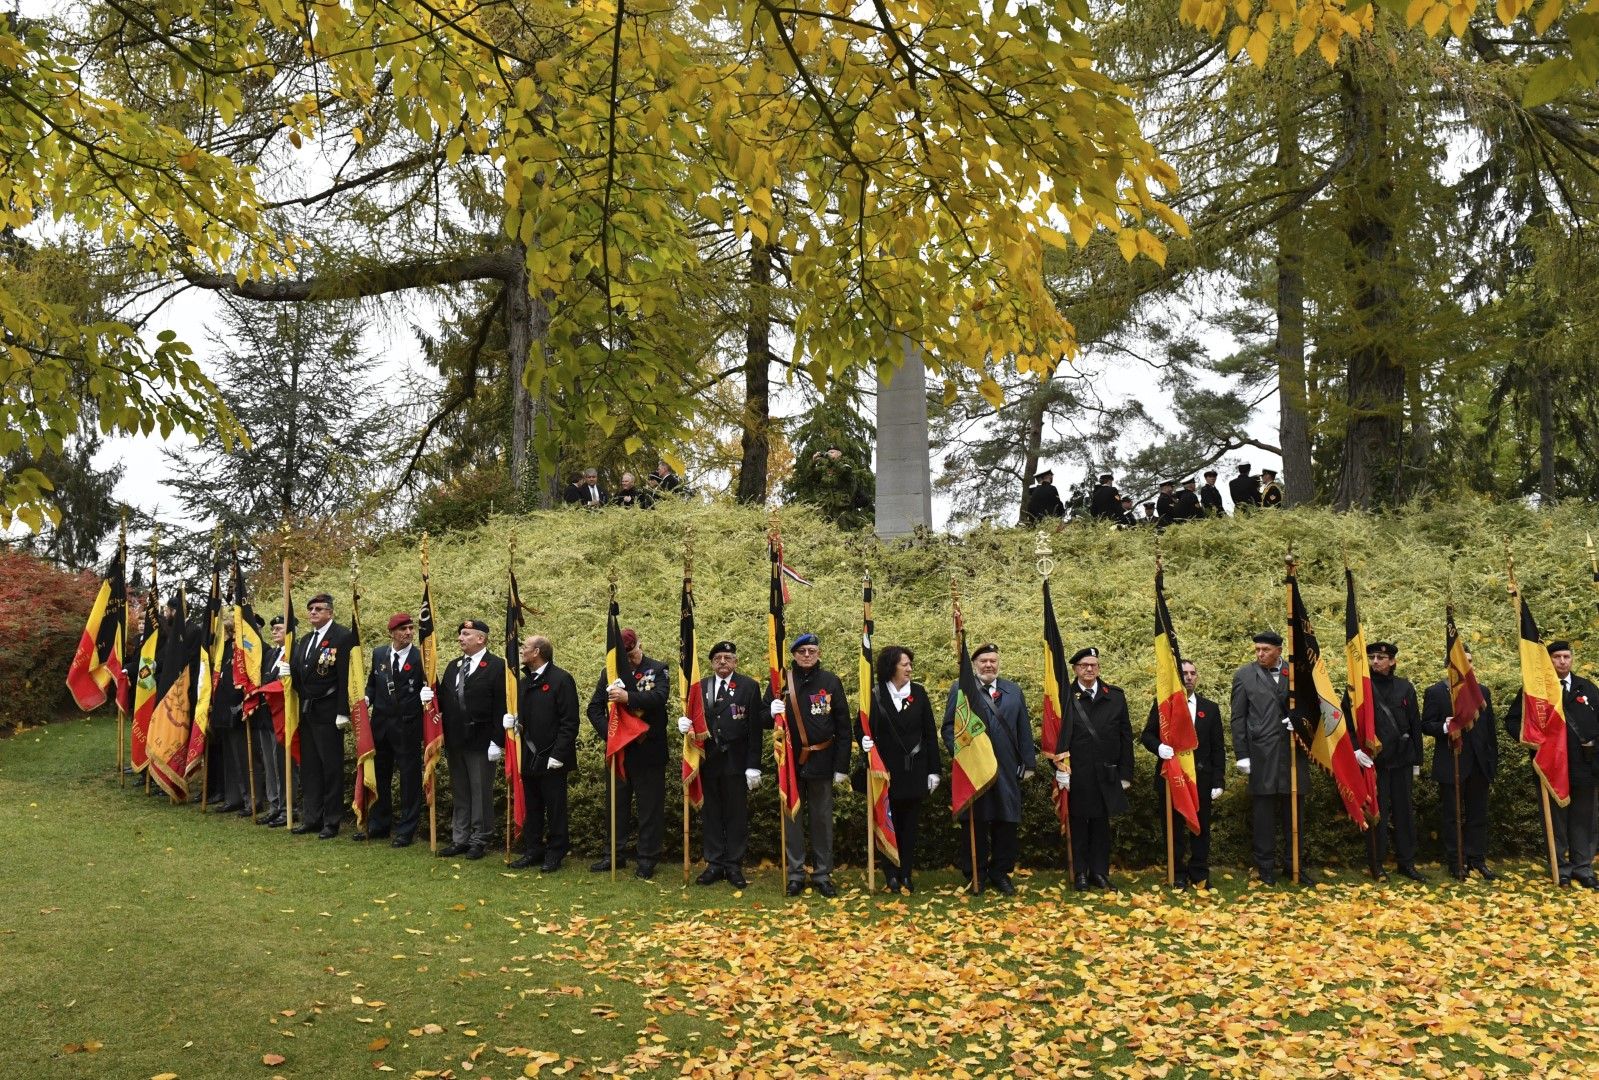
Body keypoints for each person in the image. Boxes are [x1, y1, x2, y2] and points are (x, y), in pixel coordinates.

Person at [1505, 639, 1599, 888]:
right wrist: (1532, 741)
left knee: (1584, 819)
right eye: (1557, 657)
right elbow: (1513, 721)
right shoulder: (1537, 691)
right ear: (1550, 660)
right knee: (1556, 822)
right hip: (1551, 767)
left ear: (1572, 659)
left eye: (1566, 656)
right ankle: (1561, 868)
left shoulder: (1587, 688)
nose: (1562, 661)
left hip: (1584, 766)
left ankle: (1583, 867)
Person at [943, 642, 1034, 895]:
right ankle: (976, 873)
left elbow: (1023, 728)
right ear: (974, 664)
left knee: (1007, 821)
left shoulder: (1013, 691)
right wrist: (962, 755)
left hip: (1006, 768)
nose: (988, 665)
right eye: (983, 661)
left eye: (993, 660)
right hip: (974, 768)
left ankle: (1001, 873)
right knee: (976, 823)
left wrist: (1028, 762)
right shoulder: (962, 689)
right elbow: (949, 727)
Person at [769, 633, 851, 897]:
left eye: (812, 651)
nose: (807, 655)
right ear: (793, 654)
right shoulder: (781, 682)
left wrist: (841, 766)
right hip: (790, 763)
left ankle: (822, 874)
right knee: (792, 819)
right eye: (802, 651)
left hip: (822, 760)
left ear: (818, 653)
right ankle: (795, 874)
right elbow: (760, 719)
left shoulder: (830, 682)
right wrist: (770, 709)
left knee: (822, 820)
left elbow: (843, 726)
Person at [1230, 630, 1316, 884]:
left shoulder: (1297, 674)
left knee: (1294, 814)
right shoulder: (1244, 676)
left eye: (1265, 650)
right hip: (1261, 755)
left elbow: (1312, 710)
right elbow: (1238, 718)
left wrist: (1300, 725)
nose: (1260, 654)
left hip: (1292, 754)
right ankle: (1264, 866)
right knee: (1263, 816)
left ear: (1279, 650)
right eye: (1257, 650)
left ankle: (1294, 865)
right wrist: (1242, 754)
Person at [587, 627, 671, 879]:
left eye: (631, 652)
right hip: (620, 750)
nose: (629, 658)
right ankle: (613, 855)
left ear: (639, 645)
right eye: (624, 655)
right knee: (616, 807)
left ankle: (647, 858)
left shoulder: (657, 669)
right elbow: (593, 709)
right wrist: (612, 734)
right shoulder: (609, 672)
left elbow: (659, 698)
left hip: (648, 750)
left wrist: (627, 697)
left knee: (649, 809)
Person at [680, 640, 763, 888]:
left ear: (735, 661)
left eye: (727, 657)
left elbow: (755, 730)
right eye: (718, 659)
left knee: (736, 814)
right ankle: (714, 863)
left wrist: (753, 764)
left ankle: (734, 865)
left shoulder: (749, 686)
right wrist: (684, 727)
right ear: (712, 663)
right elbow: (695, 718)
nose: (723, 662)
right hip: (708, 761)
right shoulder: (700, 686)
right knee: (712, 814)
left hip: (736, 761)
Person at [1139, 657, 1225, 889]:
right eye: (1184, 673)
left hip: (1201, 779)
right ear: (1177, 677)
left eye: (1192, 673)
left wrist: (1219, 780)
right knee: (1173, 827)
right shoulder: (1163, 705)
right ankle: (1176, 871)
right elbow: (1146, 735)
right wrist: (1159, 747)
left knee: (1201, 827)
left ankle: (1199, 872)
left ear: (1197, 677)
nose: (1188, 677)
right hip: (1171, 777)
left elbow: (1218, 748)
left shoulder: (1210, 708)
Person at [862, 646, 941, 893]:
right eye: (904, 664)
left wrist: (934, 771)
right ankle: (890, 873)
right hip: (885, 772)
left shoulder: (919, 692)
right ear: (890, 667)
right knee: (886, 821)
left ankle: (906, 872)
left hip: (915, 771)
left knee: (909, 825)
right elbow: (861, 726)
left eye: (910, 664)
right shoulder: (874, 695)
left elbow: (930, 734)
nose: (909, 668)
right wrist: (866, 743)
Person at [427, 619, 506, 860]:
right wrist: (429, 697)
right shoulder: (454, 666)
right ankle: (459, 838)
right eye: (460, 634)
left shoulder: (496, 666)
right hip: (456, 740)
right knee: (460, 791)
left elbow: (501, 705)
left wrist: (498, 740)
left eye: (466, 634)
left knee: (480, 791)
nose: (460, 638)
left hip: (482, 741)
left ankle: (479, 838)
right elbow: (444, 698)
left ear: (480, 638)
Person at [1421, 650, 1497, 880]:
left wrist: (1492, 761)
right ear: (1448, 666)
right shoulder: (1436, 692)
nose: (1467, 667)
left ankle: (1477, 859)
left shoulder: (1481, 691)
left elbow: (1490, 730)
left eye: (1470, 662)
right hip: (1451, 761)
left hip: (1478, 764)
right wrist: (1446, 727)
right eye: (1461, 663)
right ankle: (1456, 861)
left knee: (1478, 815)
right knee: (1452, 815)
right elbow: (1426, 725)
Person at [1060, 648, 1133, 890]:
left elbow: (1125, 738)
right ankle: (1080, 872)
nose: (1089, 669)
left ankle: (1099, 872)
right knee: (1079, 823)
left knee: (1101, 825)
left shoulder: (1115, 697)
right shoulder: (1064, 697)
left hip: (1106, 774)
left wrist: (1125, 773)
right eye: (1084, 665)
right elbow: (1056, 737)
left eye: (1093, 665)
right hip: (1077, 773)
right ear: (1075, 669)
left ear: (1098, 668)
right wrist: (1059, 768)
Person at [1352, 642, 1425, 881]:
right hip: (1375, 762)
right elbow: (1347, 722)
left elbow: (1415, 724)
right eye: (1372, 657)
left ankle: (1407, 862)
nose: (1375, 661)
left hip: (1402, 759)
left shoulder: (1405, 687)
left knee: (1404, 812)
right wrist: (1354, 750)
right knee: (1376, 813)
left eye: (1381, 657)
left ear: (1392, 661)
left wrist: (1417, 761)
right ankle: (1376, 863)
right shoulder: (1360, 687)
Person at [509, 634, 580, 871]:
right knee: (533, 805)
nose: (521, 650)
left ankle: (556, 852)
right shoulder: (524, 682)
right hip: (529, 756)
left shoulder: (561, 679)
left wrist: (559, 755)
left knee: (556, 808)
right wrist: (512, 723)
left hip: (553, 758)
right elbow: (525, 720)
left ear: (537, 652)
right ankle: (534, 849)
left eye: (525, 647)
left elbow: (570, 722)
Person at [288, 592, 355, 839]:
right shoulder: (305, 640)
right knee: (311, 768)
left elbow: (344, 676)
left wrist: (342, 711)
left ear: (330, 612)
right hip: (308, 711)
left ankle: (331, 821)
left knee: (331, 769)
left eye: (318, 609)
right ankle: (312, 817)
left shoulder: (342, 636)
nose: (313, 612)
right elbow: (301, 675)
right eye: (311, 609)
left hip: (329, 712)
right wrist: (290, 672)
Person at [361, 612, 427, 846]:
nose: (408, 633)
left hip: (407, 725)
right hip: (380, 725)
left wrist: (426, 696)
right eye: (403, 629)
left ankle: (406, 829)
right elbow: (372, 681)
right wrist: (367, 698)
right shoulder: (380, 653)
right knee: (380, 776)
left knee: (409, 780)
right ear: (392, 633)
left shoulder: (421, 659)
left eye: (410, 628)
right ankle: (379, 823)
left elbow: (429, 689)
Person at [250, 614, 286, 826]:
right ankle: (274, 805)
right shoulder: (271, 654)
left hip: (281, 716)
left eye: (279, 629)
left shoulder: (293, 653)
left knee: (281, 763)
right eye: (273, 629)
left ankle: (286, 807)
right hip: (265, 716)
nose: (274, 632)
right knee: (269, 763)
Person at [211, 618, 250, 814]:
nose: (228, 635)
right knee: (230, 757)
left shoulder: (248, 648)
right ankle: (233, 797)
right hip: (223, 710)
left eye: (230, 631)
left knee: (243, 757)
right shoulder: (226, 649)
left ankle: (250, 799)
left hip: (238, 710)